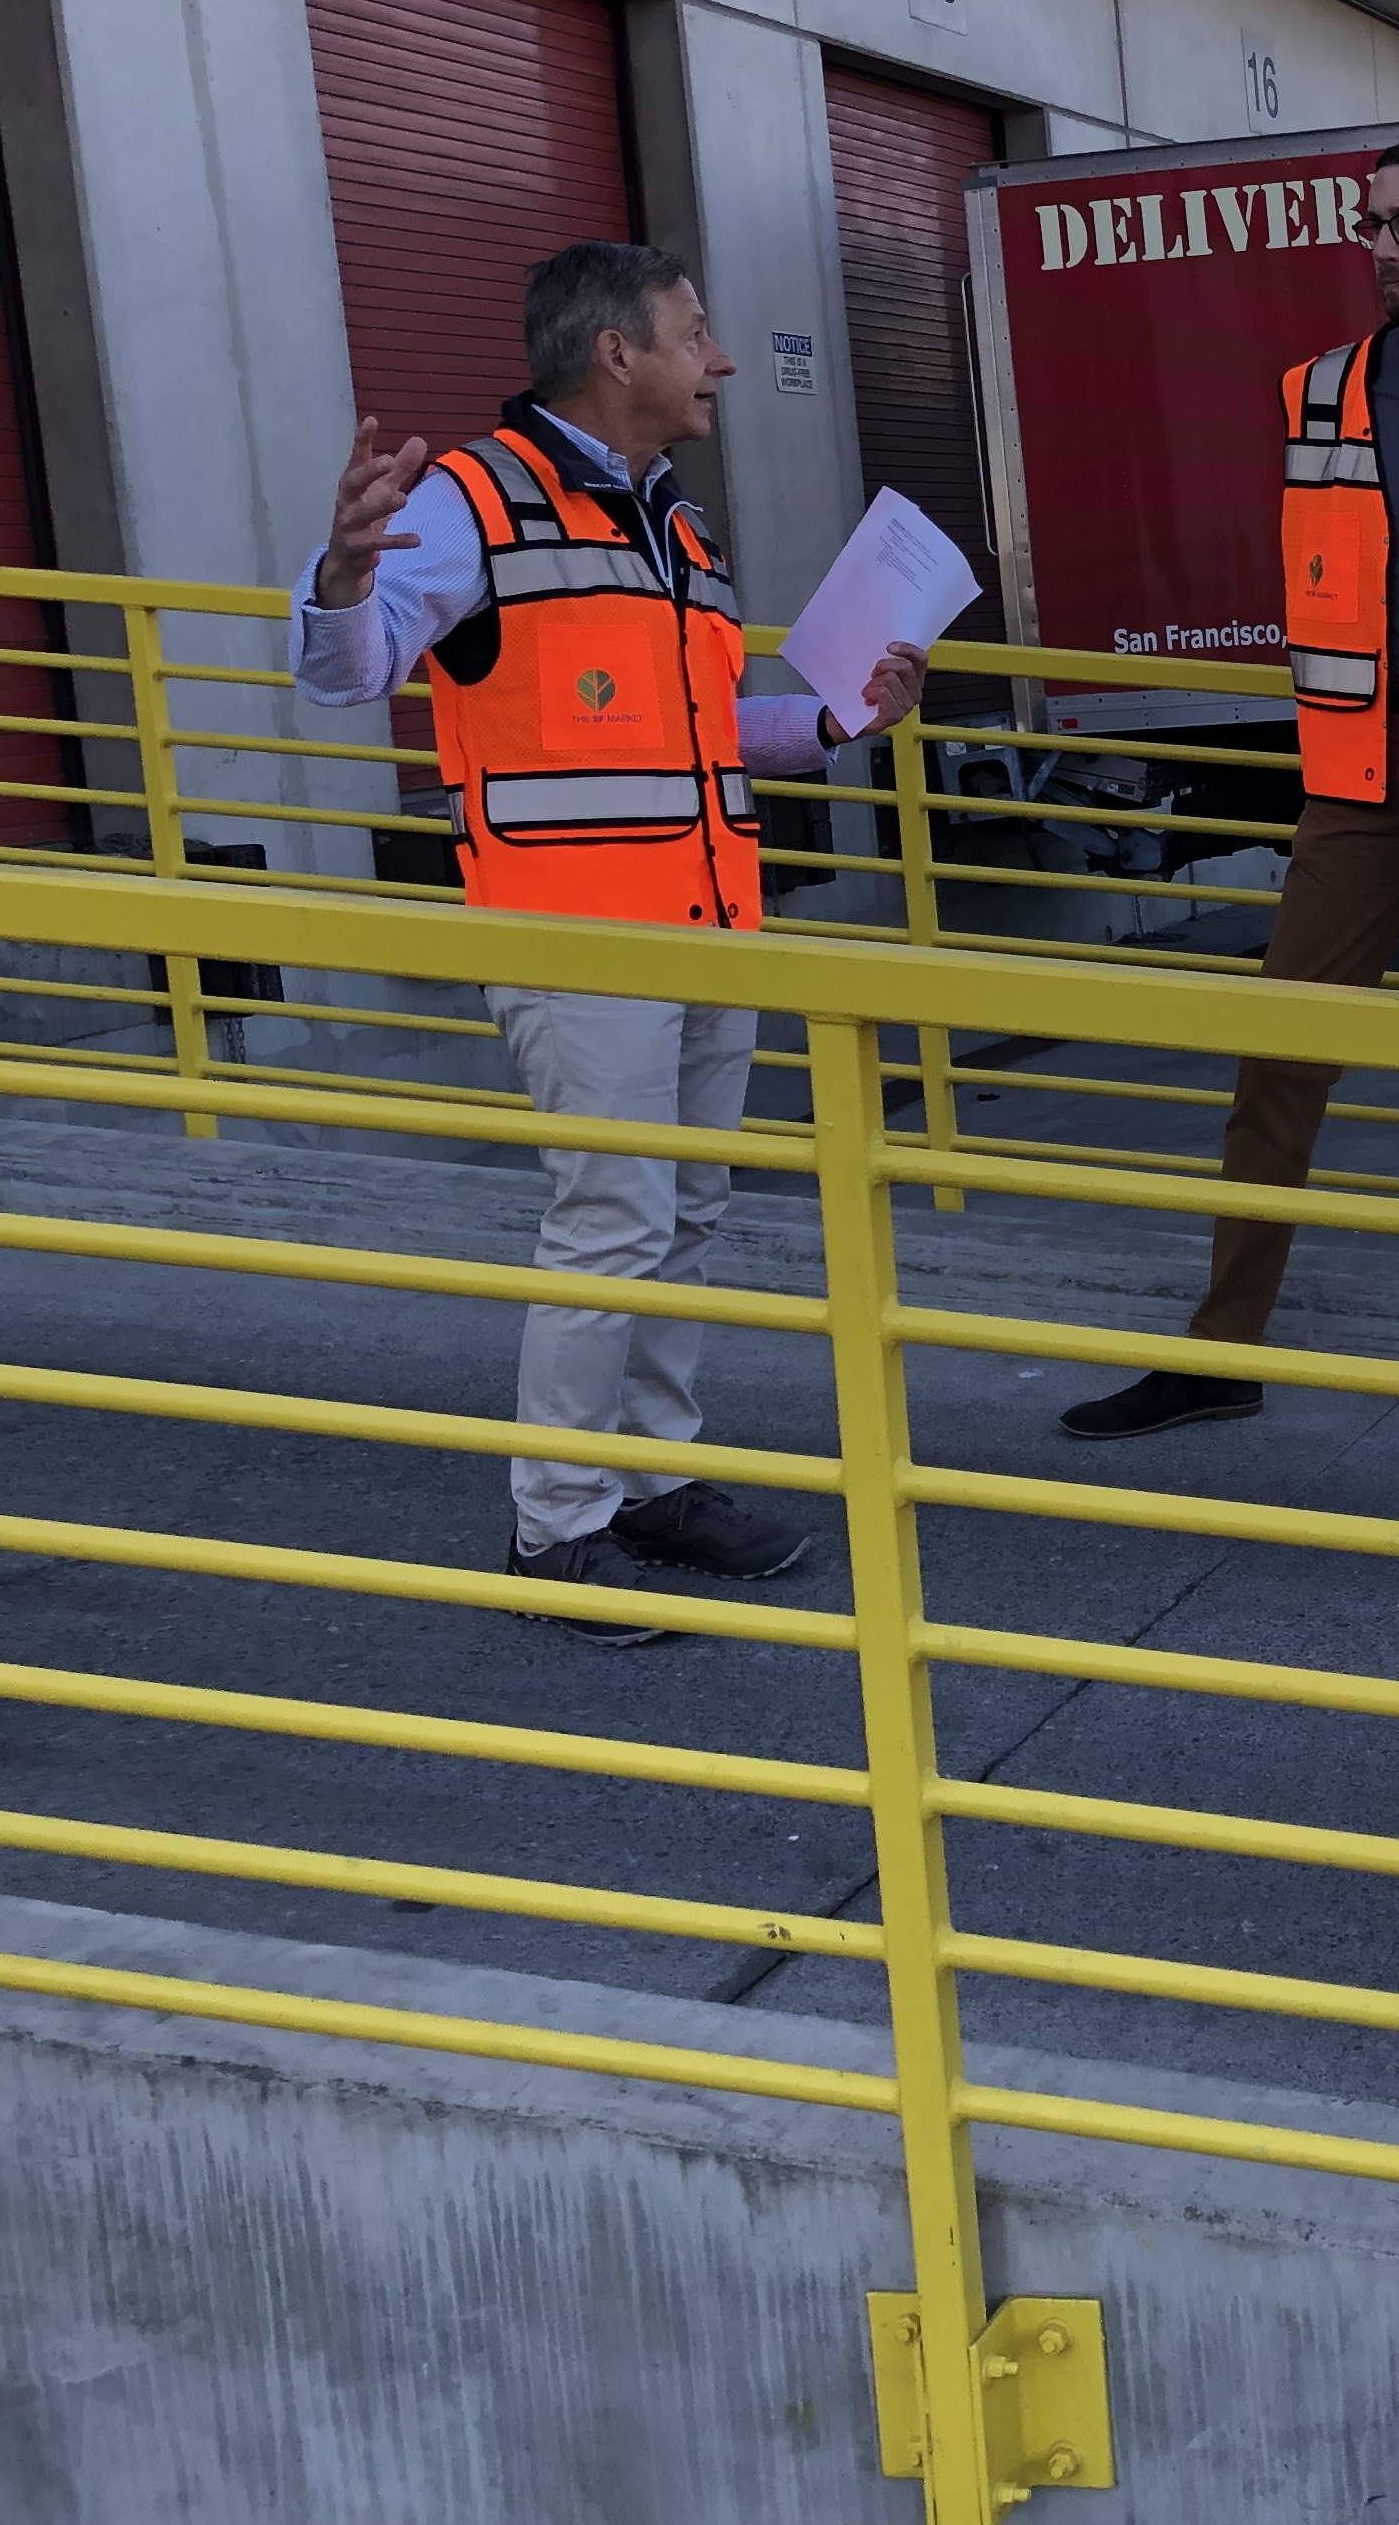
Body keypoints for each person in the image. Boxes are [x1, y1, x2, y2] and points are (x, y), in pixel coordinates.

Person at [290, 242, 926, 1633]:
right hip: (579, 938)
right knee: (615, 1219)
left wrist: (837, 720)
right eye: (697, 334)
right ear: (615, 355)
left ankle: (648, 1481)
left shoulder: (671, 524)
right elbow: (353, 670)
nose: (723, 362)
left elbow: (712, 734)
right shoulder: (474, 499)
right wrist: (339, 575)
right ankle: (556, 1530)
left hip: (706, 926)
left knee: (681, 1216)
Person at [1058, 131, 1399, 1461]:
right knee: (1282, 1057)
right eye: (1372, 225)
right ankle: (1222, 1352)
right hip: (1363, 768)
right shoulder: (1314, 395)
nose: (1384, 248)